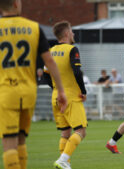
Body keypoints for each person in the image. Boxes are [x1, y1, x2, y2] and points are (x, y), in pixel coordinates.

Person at [0, 1, 67, 169]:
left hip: (6, 92)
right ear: (16, 4)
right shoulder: (34, 27)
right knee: (21, 141)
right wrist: (60, 90)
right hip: (29, 92)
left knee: (9, 143)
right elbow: (49, 61)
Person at [44, 21, 87, 169]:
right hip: (71, 97)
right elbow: (77, 72)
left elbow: (45, 75)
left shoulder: (50, 50)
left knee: (65, 133)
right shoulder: (72, 49)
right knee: (81, 131)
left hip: (56, 96)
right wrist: (83, 90)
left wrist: (56, 88)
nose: (73, 34)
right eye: (72, 31)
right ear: (67, 33)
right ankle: (63, 160)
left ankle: (65, 164)